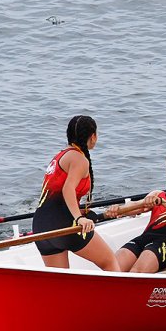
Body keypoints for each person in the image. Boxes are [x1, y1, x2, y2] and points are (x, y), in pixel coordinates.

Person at [32, 115, 120, 271]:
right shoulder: (79, 159)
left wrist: (83, 212)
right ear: (93, 136)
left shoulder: (61, 155)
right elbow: (68, 189)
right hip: (63, 225)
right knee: (110, 262)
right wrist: (79, 218)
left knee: (61, 283)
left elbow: (57, 199)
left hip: (41, 226)